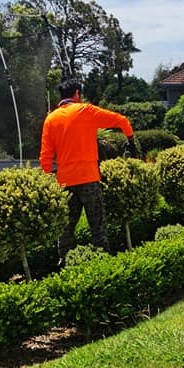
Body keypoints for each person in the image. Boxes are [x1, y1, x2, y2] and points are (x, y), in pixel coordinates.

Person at [40, 77, 137, 263]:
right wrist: (130, 140)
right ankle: (103, 262)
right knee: (98, 226)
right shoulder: (86, 111)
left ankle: (64, 261)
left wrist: (48, 180)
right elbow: (121, 120)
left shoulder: (50, 120)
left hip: (64, 182)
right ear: (77, 94)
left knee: (66, 228)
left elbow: (45, 156)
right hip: (89, 179)